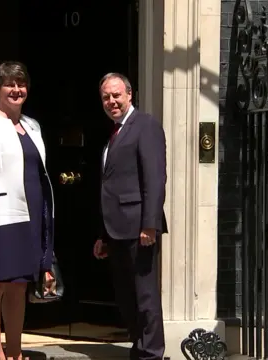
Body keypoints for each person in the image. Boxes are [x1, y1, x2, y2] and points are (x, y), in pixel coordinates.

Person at [0, 61, 54, 360]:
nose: (16, 90)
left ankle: (15, 352)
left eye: (21, 84)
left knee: (18, 287)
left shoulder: (33, 125)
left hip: (31, 213)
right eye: (9, 84)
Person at [93, 72, 168, 360]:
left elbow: (154, 178)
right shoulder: (115, 132)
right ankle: (139, 347)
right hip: (116, 231)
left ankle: (151, 353)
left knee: (145, 296)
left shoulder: (144, 125)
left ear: (129, 95)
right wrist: (103, 235)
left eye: (116, 95)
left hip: (139, 228)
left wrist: (150, 224)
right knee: (126, 297)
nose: (111, 101)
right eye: (106, 97)